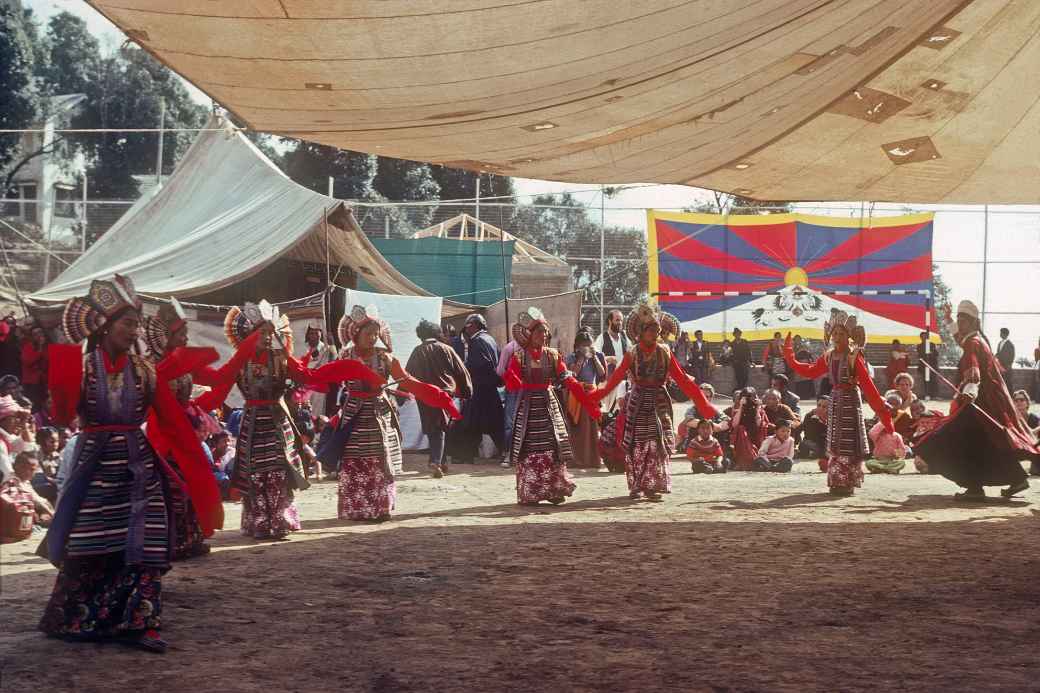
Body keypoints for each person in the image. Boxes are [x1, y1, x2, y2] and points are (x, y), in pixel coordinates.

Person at [39, 275, 222, 653]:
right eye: (128, 322)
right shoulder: (84, 366)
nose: (134, 329)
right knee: (92, 541)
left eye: (137, 323)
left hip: (138, 464)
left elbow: (172, 422)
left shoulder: (144, 371)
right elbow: (59, 415)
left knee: (149, 538)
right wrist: (62, 366)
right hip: (95, 464)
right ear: (105, 326)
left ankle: (142, 620)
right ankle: (83, 616)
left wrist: (199, 479)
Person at [332, 305, 459, 520]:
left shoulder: (384, 358)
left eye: (375, 334)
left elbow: (407, 381)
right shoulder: (345, 355)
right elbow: (332, 379)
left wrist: (433, 394)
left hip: (379, 413)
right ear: (355, 334)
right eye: (368, 334)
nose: (373, 338)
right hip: (354, 413)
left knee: (380, 456)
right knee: (354, 457)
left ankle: (379, 507)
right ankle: (356, 507)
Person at [590, 301, 718, 501]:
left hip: (659, 401)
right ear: (641, 331)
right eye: (650, 329)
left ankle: (653, 485)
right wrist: (593, 396)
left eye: (656, 330)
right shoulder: (632, 353)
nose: (654, 334)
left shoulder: (664, 352)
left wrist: (704, 404)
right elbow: (614, 380)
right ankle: (637, 486)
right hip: (638, 402)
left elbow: (682, 379)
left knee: (657, 443)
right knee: (638, 444)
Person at [913, 300, 1037, 500]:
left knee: (962, 442)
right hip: (985, 403)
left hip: (978, 404)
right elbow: (960, 339)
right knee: (988, 443)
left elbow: (973, 372)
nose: (960, 323)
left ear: (973, 323)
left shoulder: (973, 343)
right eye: (959, 319)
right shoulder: (975, 339)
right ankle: (1015, 479)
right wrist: (949, 320)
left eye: (964, 320)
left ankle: (975, 488)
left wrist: (970, 390)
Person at [783, 312, 892, 496]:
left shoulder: (854, 357)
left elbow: (868, 385)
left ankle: (846, 481)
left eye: (841, 334)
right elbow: (810, 371)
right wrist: (790, 356)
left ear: (849, 336)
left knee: (848, 442)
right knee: (836, 441)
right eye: (835, 334)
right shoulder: (828, 356)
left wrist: (882, 411)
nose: (837, 338)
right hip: (835, 400)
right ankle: (836, 481)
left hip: (850, 400)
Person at [504, 308, 597, 505]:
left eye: (546, 332)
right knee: (529, 447)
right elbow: (511, 382)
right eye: (540, 332)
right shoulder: (519, 357)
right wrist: (512, 376)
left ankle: (555, 490)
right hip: (529, 405)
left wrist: (588, 401)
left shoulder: (554, 356)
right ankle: (531, 492)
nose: (544, 335)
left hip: (548, 403)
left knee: (553, 444)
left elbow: (567, 379)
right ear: (530, 335)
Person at [406, 319, 472, 478]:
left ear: (420, 335)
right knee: (441, 426)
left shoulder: (417, 351)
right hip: (443, 394)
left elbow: (407, 374)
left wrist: (402, 394)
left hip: (424, 394)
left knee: (431, 426)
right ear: (437, 332)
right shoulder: (446, 349)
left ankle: (439, 461)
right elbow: (461, 371)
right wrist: (466, 391)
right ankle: (437, 461)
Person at [451, 314, 504, 463]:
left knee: (472, 422)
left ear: (473, 326)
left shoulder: (477, 340)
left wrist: (465, 368)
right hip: (490, 388)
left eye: (467, 326)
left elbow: (480, 364)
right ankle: (505, 452)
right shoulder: (490, 339)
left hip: (480, 387)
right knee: (492, 423)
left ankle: (465, 455)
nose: (466, 330)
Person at [563, 329, 606, 468]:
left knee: (592, 428)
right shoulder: (571, 357)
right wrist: (581, 359)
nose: (587, 347)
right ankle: (577, 459)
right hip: (577, 397)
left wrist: (593, 357)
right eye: (584, 345)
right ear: (578, 346)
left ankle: (592, 459)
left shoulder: (596, 357)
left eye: (589, 344)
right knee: (578, 428)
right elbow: (572, 375)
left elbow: (602, 373)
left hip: (591, 395)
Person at [594, 309, 630, 413]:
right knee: (609, 412)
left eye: (621, 320)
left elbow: (632, 352)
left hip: (622, 381)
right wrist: (608, 359)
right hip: (608, 383)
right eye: (617, 320)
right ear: (610, 321)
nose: (620, 323)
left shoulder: (624, 337)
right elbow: (594, 357)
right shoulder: (602, 338)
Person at [6, 451, 53, 528]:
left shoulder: (25, 482)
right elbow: (36, 501)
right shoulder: (12, 481)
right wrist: (53, 515)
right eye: (27, 469)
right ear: (15, 466)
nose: (30, 472)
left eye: (33, 470)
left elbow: (40, 500)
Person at [299, 325, 339, 416]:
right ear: (308, 335)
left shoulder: (326, 348)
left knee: (317, 411)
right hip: (305, 383)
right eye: (311, 333)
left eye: (316, 333)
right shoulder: (302, 348)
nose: (314, 336)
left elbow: (335, 361)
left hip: (319, 385)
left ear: (320, 334)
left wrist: (332, 344)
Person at [727, 387, 770, 471]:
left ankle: (754, 458)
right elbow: (734, 425)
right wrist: (741, 407)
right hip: (741, 440)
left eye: (751, 396)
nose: (750, 399)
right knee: (740, 428)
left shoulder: (760, 410)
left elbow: (759, 425)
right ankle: (753, 459)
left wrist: (758, 408)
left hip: (755, 438)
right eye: (747, 397)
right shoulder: (737, 410)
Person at [495, 334, 521, 467]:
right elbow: (500, 370)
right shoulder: (510, 348)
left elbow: (500, 370)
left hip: (526, 388)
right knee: (511, 422)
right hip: (515, 389)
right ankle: (507, 453)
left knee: (512, 421)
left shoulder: (511, 347)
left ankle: (511, 455)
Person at [866, 393, 908, 474]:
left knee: (902, 463)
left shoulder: (896, 436)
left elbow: (901, 450)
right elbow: (871, 433)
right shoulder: (878, 435)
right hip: (878, 460)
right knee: (869, 463)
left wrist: (898, 456)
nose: (893, 407)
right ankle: (885, 468)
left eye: (896, 404)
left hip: (891, 461)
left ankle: (884, 468)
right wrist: (883, 423)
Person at [0, 394, 37, 482]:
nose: (18, 421)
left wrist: (24, 424)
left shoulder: (6, 438)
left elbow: (28, 448)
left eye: (19, 418)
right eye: (15, 417)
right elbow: (8, 476)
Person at [20, 325, 47, 411]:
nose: (39, 335)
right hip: (31, 382)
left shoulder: (47, 346)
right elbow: (28, 361)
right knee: (35, 406)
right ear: (32, 337)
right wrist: (39, 349)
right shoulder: (28, 347)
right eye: (35, 334)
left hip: (44, 381)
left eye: (40, 332)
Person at [797, 396, 829, 463]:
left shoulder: (832, 416)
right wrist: (820, 421)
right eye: (819, 405)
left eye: (824, 407)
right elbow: (811, 435)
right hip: (813, 442)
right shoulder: (810, 416)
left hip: (827, 443)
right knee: (805, 444)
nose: (820, 408)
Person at [916, 331, 939, 400]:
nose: (924, 338)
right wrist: (926, 353)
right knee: (926, 381)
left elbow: (936, 354)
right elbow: (921, 355)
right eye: (923, 337)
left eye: (926, 337)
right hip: (924, 366)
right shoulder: (919, 346)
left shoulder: (932, 344)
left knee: (933, 380)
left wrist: (931, 353)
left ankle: (934, 395)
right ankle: (927, 394)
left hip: (932, 366)